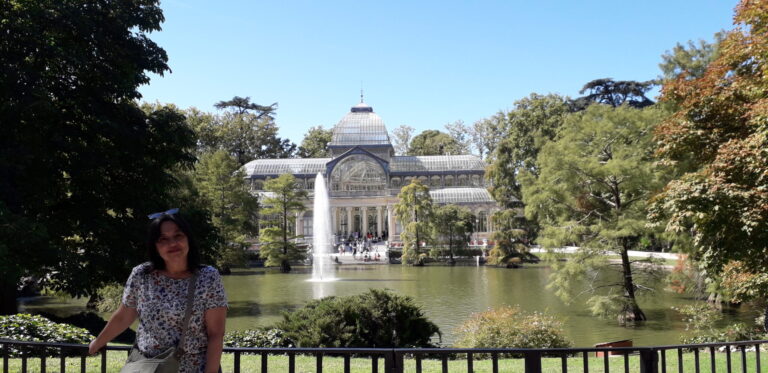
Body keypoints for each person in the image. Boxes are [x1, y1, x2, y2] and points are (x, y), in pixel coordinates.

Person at [89, 209, 228, 373]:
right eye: (163, 239)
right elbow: (124, 315)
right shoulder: (142, 275)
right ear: (155, 246)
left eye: (178, 236)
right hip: (148, 367)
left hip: (193, 368)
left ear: (188, 239)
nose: (172, 244)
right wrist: (98, 342)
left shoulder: (207, 277)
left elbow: (216, 334)